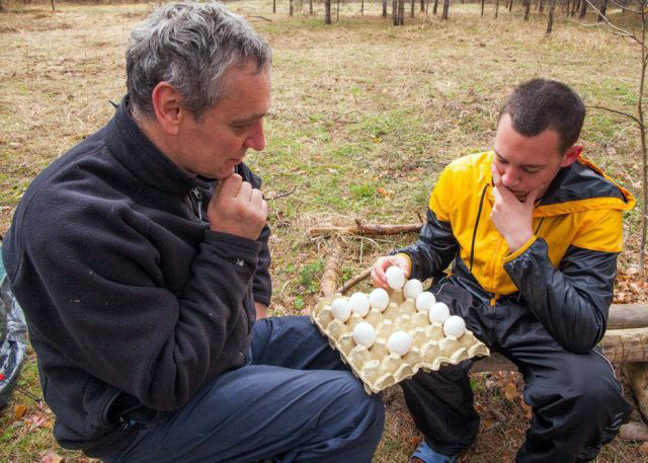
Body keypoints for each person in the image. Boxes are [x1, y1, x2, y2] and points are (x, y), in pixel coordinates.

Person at [2, 3, 384, 462]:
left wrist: (250, 307)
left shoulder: (198, 157)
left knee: (348, 346)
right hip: (141, 416)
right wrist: (231, 250)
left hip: (212, 341)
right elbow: (169, 380)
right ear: (171, 108)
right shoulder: (74, 222)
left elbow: (251, 219)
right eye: (241, 125)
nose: (259, 142)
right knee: (351, 409)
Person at [371, 78, 635, 463]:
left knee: (591, 393)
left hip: (542, 312)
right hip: (468, 293)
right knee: (408, 343)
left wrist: (523, 245)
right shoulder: (462, 177)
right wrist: (406, 262)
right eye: (501, 159)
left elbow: (583, 328)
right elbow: (435, 247)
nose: (508, 180)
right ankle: (449, 437)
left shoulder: (596, 207)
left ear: (570, 156)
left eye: (529, 168)